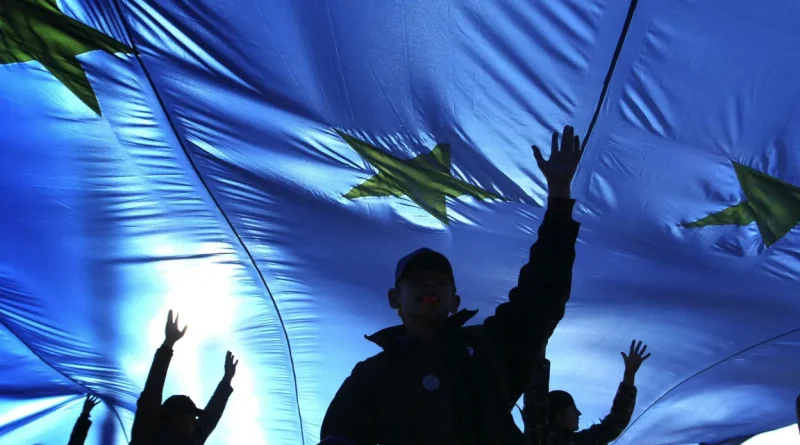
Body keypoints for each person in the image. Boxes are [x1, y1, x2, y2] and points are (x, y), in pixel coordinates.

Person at [319, 126, 584, 445]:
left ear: (455, 301)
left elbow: (541, 294)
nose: (430, 283)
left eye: (441, 281)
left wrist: (559, 197)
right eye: (417, 280)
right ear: (395, 299)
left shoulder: (491, 349)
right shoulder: (372, 375)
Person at [130, 310, 238, 445]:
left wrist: (227, 380)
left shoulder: (191, 438)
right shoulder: (147, 431)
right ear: (176, 418)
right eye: (191, 417)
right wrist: (168, 344)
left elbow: (211, 416)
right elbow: (153, 390)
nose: (194, 421)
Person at [525, 340, 650, 445]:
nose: (579, 413)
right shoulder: (539, 437)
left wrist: (629, 374)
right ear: (559, 416)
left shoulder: (577, 442)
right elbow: (536, 391)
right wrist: (540, 342)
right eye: (573, 409)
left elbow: (613, 424)